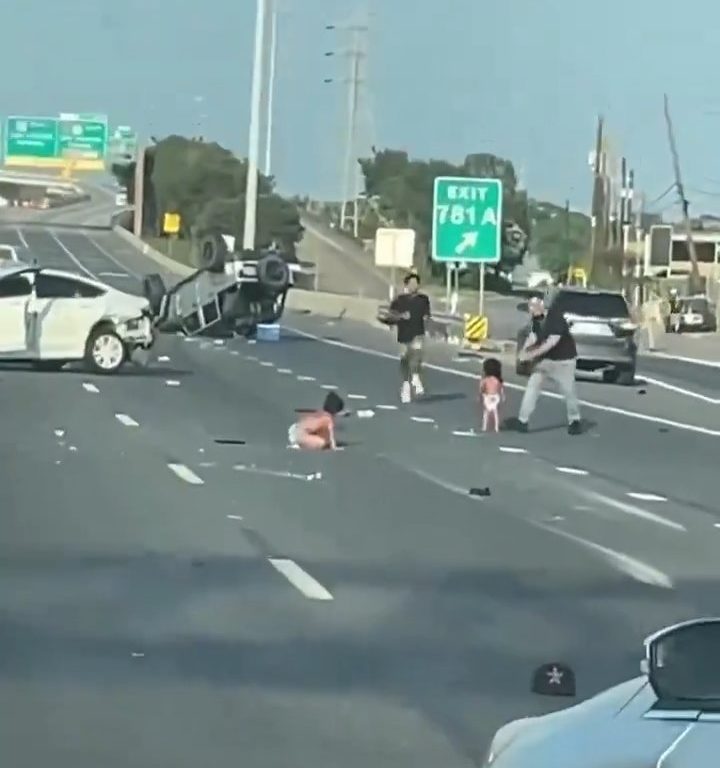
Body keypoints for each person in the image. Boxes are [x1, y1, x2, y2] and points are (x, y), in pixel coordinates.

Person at [514, 296, 582, 435]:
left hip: (564, 361)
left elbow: (551, 342)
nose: (531, 310)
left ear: (542, 305)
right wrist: (524, 350)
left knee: (568, 391)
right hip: (545, 361)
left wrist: (531, 355)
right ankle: (522, 420)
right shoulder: (536, 319)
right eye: (530, 307)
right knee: (533, 386)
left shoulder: (555, 318)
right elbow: (533, 335)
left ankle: (574, 420)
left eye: (533, 306)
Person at [389, 270, 431, 403]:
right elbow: (391, 315)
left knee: (417, 357)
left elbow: (427, 315)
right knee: (405, 360)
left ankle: (416, 377)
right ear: (406, 285)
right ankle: (406, 386)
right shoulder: (400, 300)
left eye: (416, 283)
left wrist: (427, 319)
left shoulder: (423, 299)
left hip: (418, 333)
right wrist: (401, 316)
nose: (414, 286)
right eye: (411, 283)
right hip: (403, 334)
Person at [479, 357, 504, 432]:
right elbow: (501, 389)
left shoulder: (485, 380)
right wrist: (502, 396)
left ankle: (484, 426)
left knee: (486, 412)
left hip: (488, 396)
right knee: (495, 412)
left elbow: (481, 388)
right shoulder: (497, 380)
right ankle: (496, 427)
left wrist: (481, 394)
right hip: (496, 397)